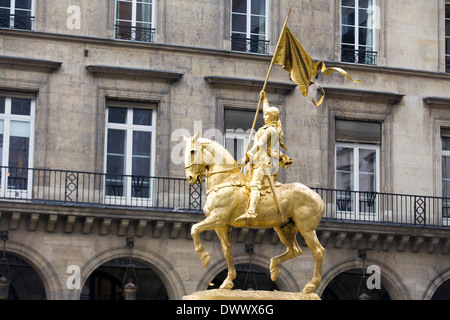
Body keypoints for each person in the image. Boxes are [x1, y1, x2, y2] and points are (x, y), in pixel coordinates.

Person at [235, 91, 292, 222]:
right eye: (264, 114)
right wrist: (265, 99)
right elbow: (266, 109)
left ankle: (251, 211)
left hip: (264, 161)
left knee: (254, 184)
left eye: (267, 115)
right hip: (257, 159)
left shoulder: (272, 130)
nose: (264, 116)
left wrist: (250, 152)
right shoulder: (267, 127)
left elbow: (261, 143)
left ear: (272, 117)